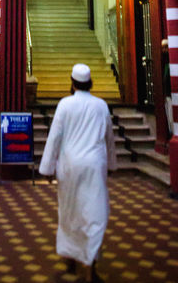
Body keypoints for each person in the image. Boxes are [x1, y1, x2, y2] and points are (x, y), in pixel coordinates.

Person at [39, 63, 117, 283]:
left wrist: (47, 168)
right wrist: (111, 165)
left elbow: (54, 137)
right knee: (95, 214)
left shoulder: (65, 104)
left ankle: (71, 258)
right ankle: (89, 265)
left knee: (70, 212)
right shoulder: (101, 105)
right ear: (90, 83)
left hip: (70, 166)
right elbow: (109, 138)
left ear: (72, 84)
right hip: (94, 166)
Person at [161, 38, 173, 136]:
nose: (164, 50)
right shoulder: (165, 64)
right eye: (163, 48)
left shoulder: (173, 64)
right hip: (167, 95)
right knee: (169, 115)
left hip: (173, 95)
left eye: (166, 47)